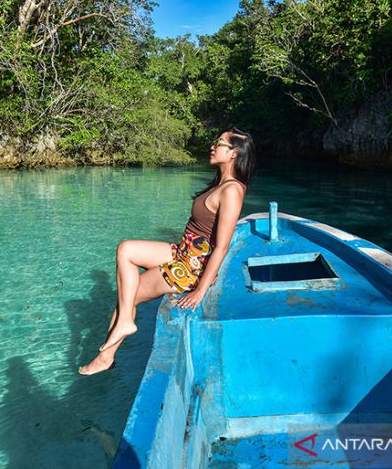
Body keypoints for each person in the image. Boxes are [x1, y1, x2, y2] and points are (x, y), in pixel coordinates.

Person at [78, 127, 257, 375]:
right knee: (126, 250)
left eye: (219, 143)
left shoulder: (231, 191)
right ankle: (125, 325)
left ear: (234, 153)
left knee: (126, 300)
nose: (212, 147)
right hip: (183, 251)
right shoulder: (221, 183)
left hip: (191, 266)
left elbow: (222, 246)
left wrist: (200, 290)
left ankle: (106, 356)